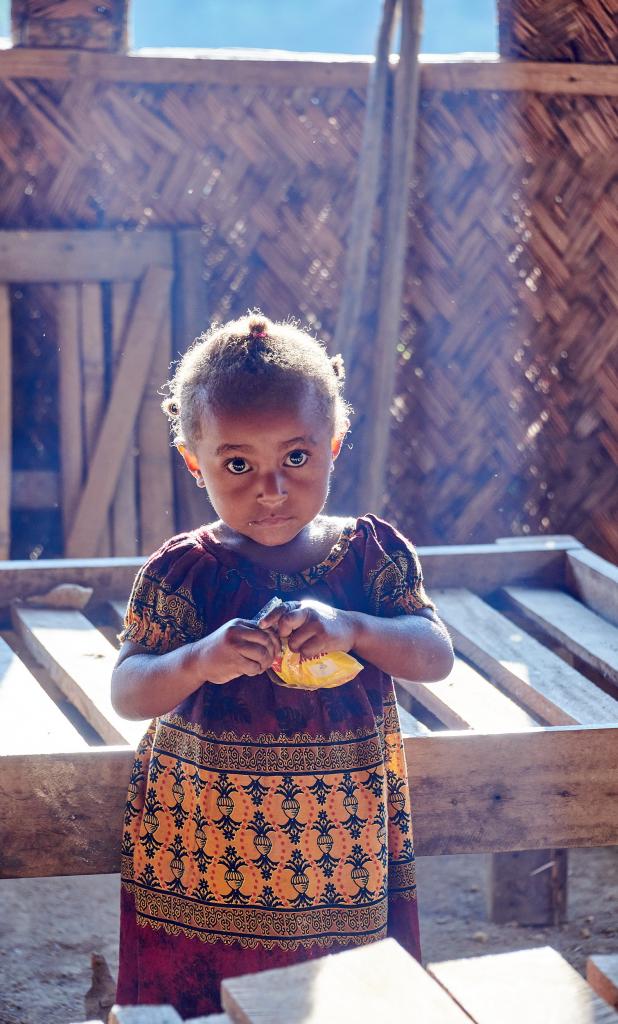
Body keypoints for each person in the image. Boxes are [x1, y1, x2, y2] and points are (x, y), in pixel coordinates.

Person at [112, 312, 454, 1016]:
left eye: (295, 458)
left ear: (332, 446)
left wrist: (353, 626)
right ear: (194, 462)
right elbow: (129, 690)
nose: (270, 488)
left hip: (342, 860)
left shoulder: (371, 557)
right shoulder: (183, 572)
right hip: (200, 856)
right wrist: (201, 658)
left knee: (344, 1003)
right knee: (204, 1008)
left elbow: (435, 653)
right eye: (238, 464)